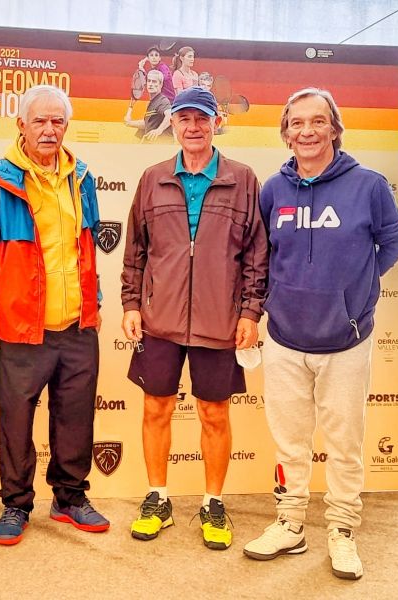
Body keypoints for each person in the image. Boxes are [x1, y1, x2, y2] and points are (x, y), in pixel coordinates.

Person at [243, 88, 398, 580]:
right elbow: (262, 255)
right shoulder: (272, 189)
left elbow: (393, 241)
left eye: (318, 122)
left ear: (334, 128)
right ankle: (290, 524)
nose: (307, 131)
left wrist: (355, 289)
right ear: (286, 132)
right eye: (297, 123)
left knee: (345, 442)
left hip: (346, 338)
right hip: (285, 338)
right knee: (290, 442)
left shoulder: (369, 185)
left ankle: (341, 530)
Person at [121, 86, 268, 549]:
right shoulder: (152, 178)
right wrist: (130, 304)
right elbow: (135, 252)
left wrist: (249, 311)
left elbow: (255, 255)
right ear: (174, 124)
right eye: (184, 118)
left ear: (215, 122)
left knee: (214, 413)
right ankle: (158, 498)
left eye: (201, 118)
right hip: (159, 319)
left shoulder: (243, 178)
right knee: (156, 408)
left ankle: (213, 503)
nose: (193, 126)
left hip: (220, 321)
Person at [0, 84, 109, 545]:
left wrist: (97, 301)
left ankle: (70, 497)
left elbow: (85, 247)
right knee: (15, 419)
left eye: (58, 122)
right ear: (21, 126)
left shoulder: (81, 177)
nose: (50, 130)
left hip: (77, 325)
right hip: (20, 325)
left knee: (75, 417)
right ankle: (15, 504)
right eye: (40, 121)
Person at [124, 70, 172, 141]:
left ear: (161, 84)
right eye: (149, 81)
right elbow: (147, 123)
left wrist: (159, 130)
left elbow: (170, 115)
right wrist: (131, 108)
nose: (150, 84)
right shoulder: (152, 102)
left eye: (154, 81)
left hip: (162, 146)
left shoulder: (162, 101)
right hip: (151, 146)